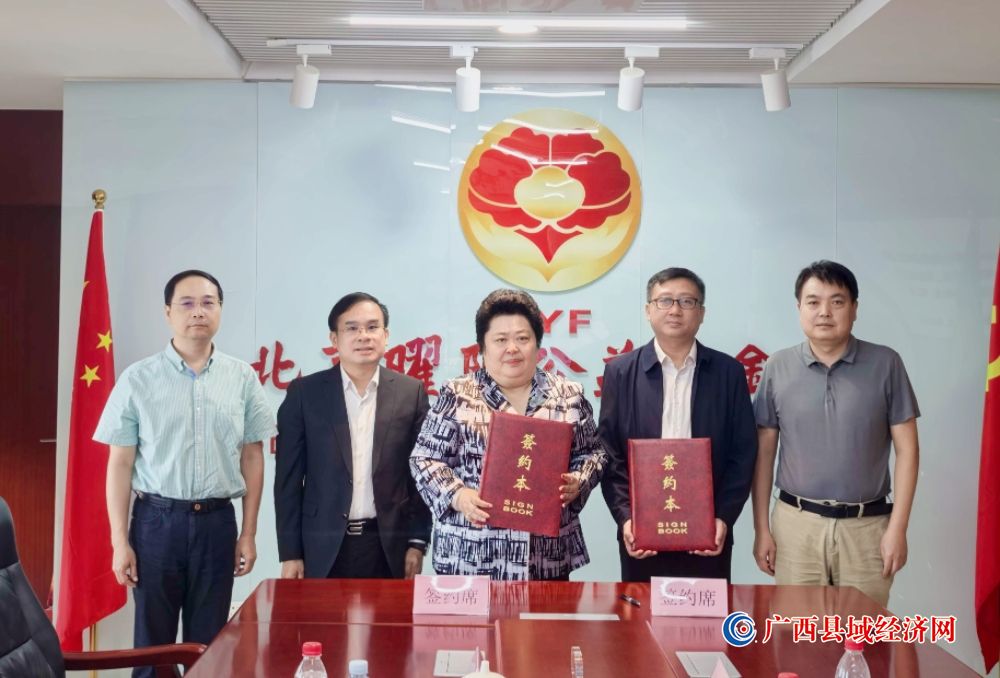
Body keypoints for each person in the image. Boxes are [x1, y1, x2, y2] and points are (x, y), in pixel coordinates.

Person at [97, 270, 275, 674]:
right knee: (153, 647)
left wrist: (248, 533)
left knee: (210, 644)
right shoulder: (138, 378)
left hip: (217, 523)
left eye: (208, 303)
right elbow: (120, 463)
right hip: (156, 523)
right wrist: (119, 542)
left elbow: (253, 456)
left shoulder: (242, 378)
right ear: (168, 312)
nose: (199, 312)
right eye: (187, 303)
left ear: (220, 310)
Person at [751, 260, 920, 607]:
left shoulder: (886, 363)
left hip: (867, 529)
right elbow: (764, 453)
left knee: (862, 634)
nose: (824, 312)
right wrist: (761, 530)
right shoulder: (778, 367)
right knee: (798, 634)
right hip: (795, 527)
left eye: (837, 301)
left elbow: (908, 450)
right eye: (813, 302)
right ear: (799, 308)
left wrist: (898, 528)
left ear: (854, 309)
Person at [410, 288, 606, 580]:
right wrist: (458, 495)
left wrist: (579, 479)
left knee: (546, 613)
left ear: (538, 345)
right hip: (472, 553)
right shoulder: (458, 394)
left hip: (545, 556)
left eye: (522, 338)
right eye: (500, 340)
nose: (512, 348)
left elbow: (593, 453)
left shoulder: (568, 395)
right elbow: (424, 458)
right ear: (482, 348)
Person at [599, 267, 757, 582]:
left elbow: (743, 453)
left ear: (701, 313)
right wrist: (626, 517)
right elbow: (609, 452)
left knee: (705, 612)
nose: (674, 310)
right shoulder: (621, 372)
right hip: (642, 534)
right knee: (642, 611)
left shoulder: (728, 372)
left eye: (686, 301)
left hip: (707, 532)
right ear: (648, 310)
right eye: (664, 300)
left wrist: (723, 517)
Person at [275, 292, 431, 579]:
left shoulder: (411, 393)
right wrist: (290, 552)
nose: (363, 336)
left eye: (372, 327)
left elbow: (419, 475)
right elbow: (288, 480)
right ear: (334, 339)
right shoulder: (305, 395)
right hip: (322, 546)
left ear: (386, 335)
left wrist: (417, 541)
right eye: (352, 328)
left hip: (388, 546)